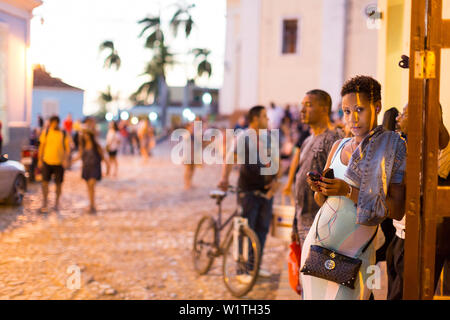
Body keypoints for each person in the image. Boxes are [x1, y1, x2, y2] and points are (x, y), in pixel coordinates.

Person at [301, 76, 407, 300]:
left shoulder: (393, 147)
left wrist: (347, 191)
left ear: (376, 107)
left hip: (356, 253)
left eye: (360, 109)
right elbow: (322, 201)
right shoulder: (338, 146)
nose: (353, 118)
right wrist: (321, 188)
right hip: (319, 248)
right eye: (347, 111)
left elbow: (397, 209)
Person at [386, 103, 450, 299]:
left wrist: (429, 109)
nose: (398, 118)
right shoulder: (406, 145)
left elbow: (441, 133)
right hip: (400, 231)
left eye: (404, 114)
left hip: (418, 239)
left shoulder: (437, 151)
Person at [218, 105, 281, 283]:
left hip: (266, 193)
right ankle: (241, 269)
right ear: (254, 119)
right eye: (264, 117)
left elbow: (276, 162)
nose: (267, 120)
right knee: (244, 230)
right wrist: (224, 179)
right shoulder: (243, 137)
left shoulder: (269, 138)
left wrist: (275, 181)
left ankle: (255, 266)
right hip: (247, 192)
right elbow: (230, 158)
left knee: (261, 230)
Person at [282, 90, 342, 245]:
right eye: (302, 106)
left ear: (323, 109)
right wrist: (295, 224)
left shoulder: (334, 139)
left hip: (322, 225)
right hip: (303, 222)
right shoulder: (308, 140)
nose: (302, 110)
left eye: (308, 105)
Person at [37, 116, 70, 212]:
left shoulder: (63, 134)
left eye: (56, 122)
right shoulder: (46, 133)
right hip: (47, 161)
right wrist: (40, 159)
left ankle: (56, 203)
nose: (54, 124)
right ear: (50, 123)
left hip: (59, 163)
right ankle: (45, 202)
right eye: (53, 122)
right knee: (44, 183)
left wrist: (66, 160)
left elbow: (67, 149)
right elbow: (42, 146)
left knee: (58, 184)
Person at [73, 128, 108, 214]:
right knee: (89, 187)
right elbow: (79, 156)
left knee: (92, 185)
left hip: (95, 168)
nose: (85, 136)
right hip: (86, 168)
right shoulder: (83, 146)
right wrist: (70, 162)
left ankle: (93, 205)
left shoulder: (96, 146)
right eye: (84, 134)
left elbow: (104, 157)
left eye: (87, 134)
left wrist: (108, 169)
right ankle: (91, 203)